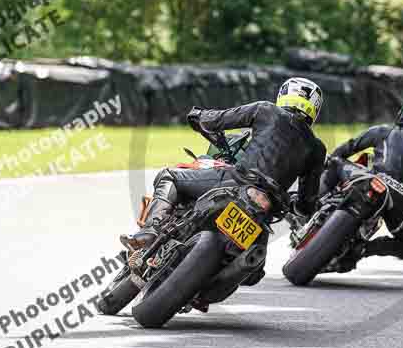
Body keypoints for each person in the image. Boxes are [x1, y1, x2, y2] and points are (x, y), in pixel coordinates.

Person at [120, 77, 327, 250]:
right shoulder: (317, 148)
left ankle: (151, 230)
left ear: (285, 95)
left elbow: (218, 120)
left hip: (238, 181)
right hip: (268, 208)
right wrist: (293, 203)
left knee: (169, 175)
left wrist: (199, 115)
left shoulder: (267, 110)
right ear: (314, 109)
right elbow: (307, 203)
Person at [317, 101, 403, 269]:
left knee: (335, 162)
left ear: (400, 116)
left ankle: (313, 202)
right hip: (398, 200)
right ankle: (362, 249)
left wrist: (331, 160)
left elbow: (349, 147)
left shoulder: (383, 131)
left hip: (371, 179)